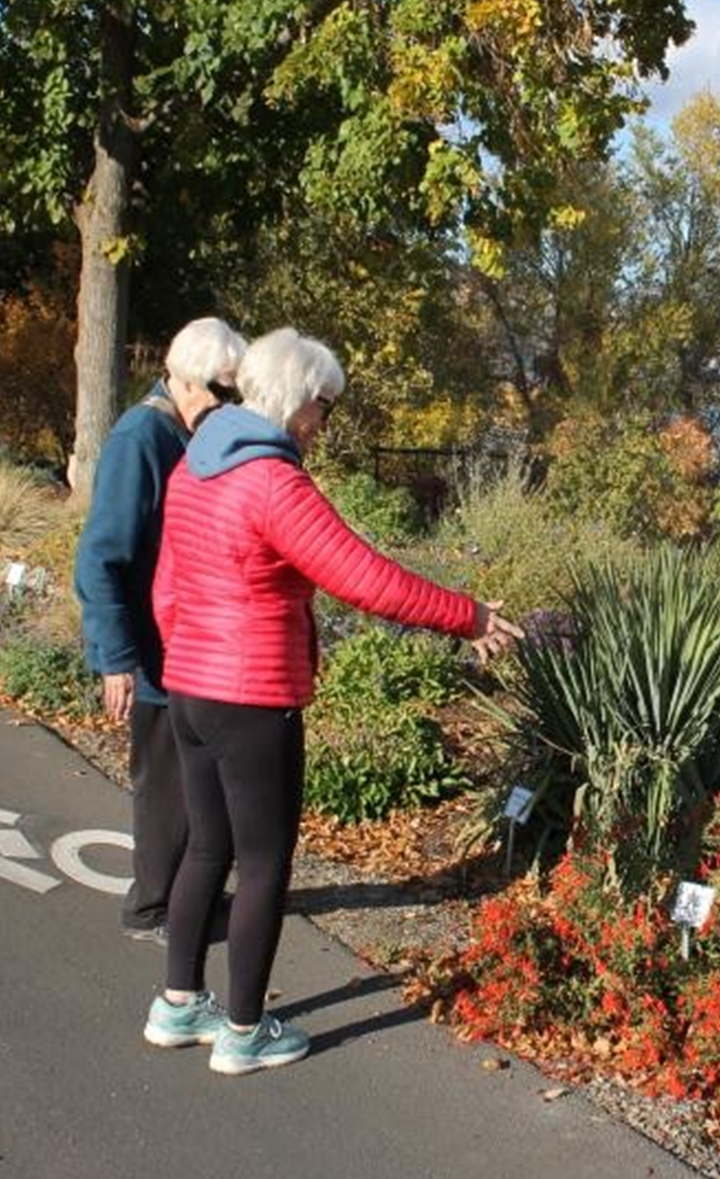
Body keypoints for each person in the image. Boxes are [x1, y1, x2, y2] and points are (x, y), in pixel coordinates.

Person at [144, 327, 523, 1074]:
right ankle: (246, 1033)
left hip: (190, 688)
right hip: (252, 698)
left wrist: (185, 658)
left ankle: (178, 1005)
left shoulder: (196, 467)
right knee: (263, 864)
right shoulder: (272, 482)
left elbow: (166, 586)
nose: (324, 422)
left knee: (206, 849)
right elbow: (364, 577)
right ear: (292, 399)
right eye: (324, 405)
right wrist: (469, 616)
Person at [75, 317, 249, 945]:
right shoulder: (142, 435)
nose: (231, 406)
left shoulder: (184, 431)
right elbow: (102, 555)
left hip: (186, 645)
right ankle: (153, 908)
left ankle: (185, 898)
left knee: (193, 783)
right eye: (222, 392)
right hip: (152, 650)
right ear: (183, 379)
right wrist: (116, 655)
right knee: (167, 787)